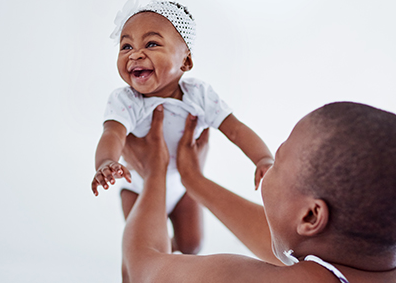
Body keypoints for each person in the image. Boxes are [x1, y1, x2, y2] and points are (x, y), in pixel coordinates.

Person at [120, 102, 396, 282]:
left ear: (311, 216)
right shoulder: (371, 260)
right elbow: (296, 245)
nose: (270, 167)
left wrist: (156, 173)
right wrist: (193, 180)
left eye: (278, 160)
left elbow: (140, 269)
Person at [91, 0, 274, 260]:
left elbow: (235, 129)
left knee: (192, 245)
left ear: (185, 61)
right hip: (138, 185)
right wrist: (106, 162)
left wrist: (262, 158)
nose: (135, 54)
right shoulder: (126, 100)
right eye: (126, 46)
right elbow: (113, 134)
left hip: (183, 186)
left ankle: (174, 258)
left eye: (151, 44)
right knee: (145, 248)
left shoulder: (199, 95)